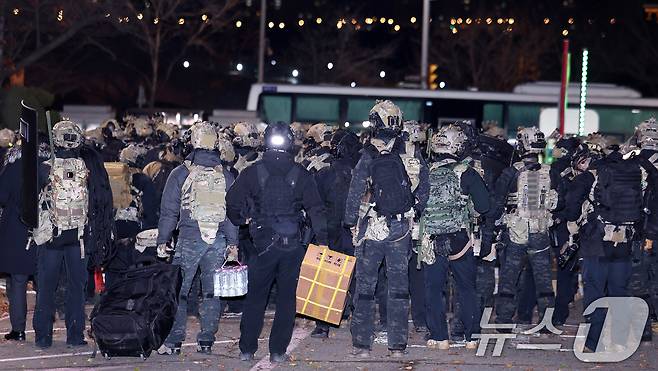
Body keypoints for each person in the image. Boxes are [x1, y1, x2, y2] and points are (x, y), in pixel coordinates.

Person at [226, 122, 328, 363]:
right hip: (292, 245)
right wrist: (322, 241)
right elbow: (316, 209)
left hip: (261, 245)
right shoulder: (301, 173)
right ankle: (278, 351)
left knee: (256, 297)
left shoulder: (252, 172)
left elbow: (232, 205)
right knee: (287, 299)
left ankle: (247, 349)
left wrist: (244, 219)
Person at [156, 121, 239, 355]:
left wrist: (163, 240)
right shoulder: (226, 175)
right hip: (218, 241)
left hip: (190, 239)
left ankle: (174, 340)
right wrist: (233, 244)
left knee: (180, 291)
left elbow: (169, 211)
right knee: (212, 293)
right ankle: (206, 340)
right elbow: (231, 215)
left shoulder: (181, 172)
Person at [344, 100, 417, 358]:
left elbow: (355, 192)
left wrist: (351, 220)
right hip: (401, 229)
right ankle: (397, 346)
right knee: (398, 287)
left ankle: (362, 345)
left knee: (365, 288)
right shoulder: (410, 152)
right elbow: (424, 190)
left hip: (371, 229)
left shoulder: (368, 155)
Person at [32, 120, 114, 349]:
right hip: (78, 236)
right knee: (77, 287)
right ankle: (75, 336)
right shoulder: (88, 166)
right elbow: (100, 200)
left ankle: (43, 337)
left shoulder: (44, 167)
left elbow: (30, 201)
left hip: (51, 236)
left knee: (46, 287)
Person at [418, 124, 490, 350]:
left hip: (431, 240)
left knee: (433, 289)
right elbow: (484, 206)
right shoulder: (466, 172)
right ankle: (472, 337)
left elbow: (416, 204)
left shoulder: (425, 172)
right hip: (460, 238)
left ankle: (439, 337)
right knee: (466, 288)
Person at [489, 126, 556, 328]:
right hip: (541, 232)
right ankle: (546, 321)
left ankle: (504, 319)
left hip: (515, 232)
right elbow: (560, 203)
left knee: (510, 278)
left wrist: (492, 227)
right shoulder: (550, 171)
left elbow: (497, 201)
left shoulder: (511, 172)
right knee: (544, 280)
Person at [310, 130, 363, 338]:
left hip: (329, 232)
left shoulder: (325, 173)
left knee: (327, 277)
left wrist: (318, 233)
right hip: (356, 231)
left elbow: (315, 205)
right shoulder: (363, 172)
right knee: (358, 278)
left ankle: (322, 324)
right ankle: (356, 321)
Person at [0, 136, 49, 341]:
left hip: (17, 228)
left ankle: (18, 329)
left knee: (18, 281)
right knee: (44, 281)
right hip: (45, 227)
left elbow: (2, 196)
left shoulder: (14, 165)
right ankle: (43, 330)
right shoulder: (47, 165)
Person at [104, 144, 158, 287]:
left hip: (113, 233)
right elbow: (151, 211)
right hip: (136, 235)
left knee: (113, 274)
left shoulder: (110, 180)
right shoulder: (144, 181)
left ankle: (111, 303)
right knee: (136, 277)